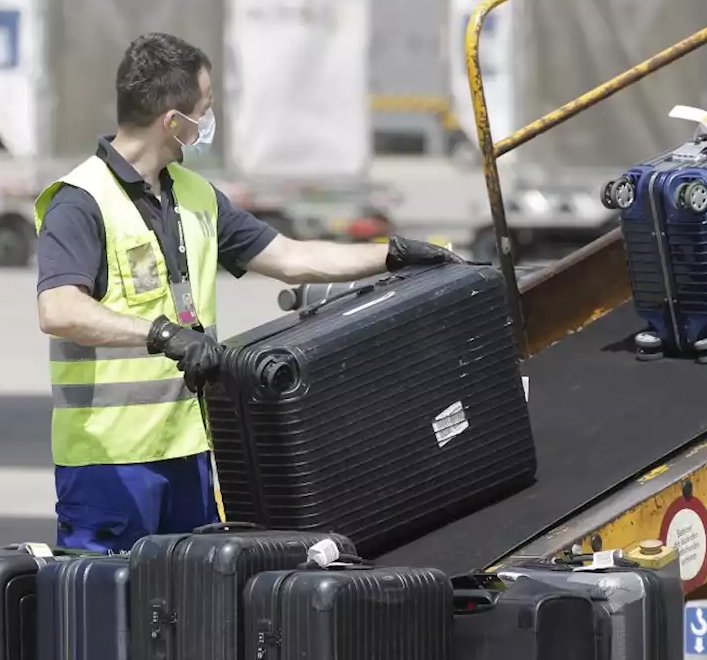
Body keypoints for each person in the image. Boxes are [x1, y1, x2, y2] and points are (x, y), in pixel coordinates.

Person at [33, 32, 463, 552]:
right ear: (174, 121)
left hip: (189, 451)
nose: (211, 121)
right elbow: (59, 309)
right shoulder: (80, 202)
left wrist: (390, 253)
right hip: (110, 466)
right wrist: (162, 335)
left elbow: (291, 258)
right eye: (205, 108)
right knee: (106, 617)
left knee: (187, 612)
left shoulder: (194, 196)